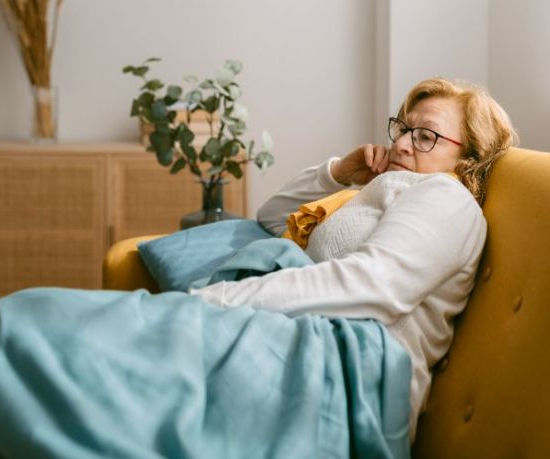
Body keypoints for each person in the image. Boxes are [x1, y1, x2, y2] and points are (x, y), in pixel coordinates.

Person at [190, 76, 518, 439]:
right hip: (300, 338)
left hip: (345, 376)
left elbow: (371, 284)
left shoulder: (446, 198)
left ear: (468, 159)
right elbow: (271, 217)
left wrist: (216, 300)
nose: (401, 144)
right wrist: (339, 173)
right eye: (403, 129)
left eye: (425, 136)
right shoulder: (379, 191)